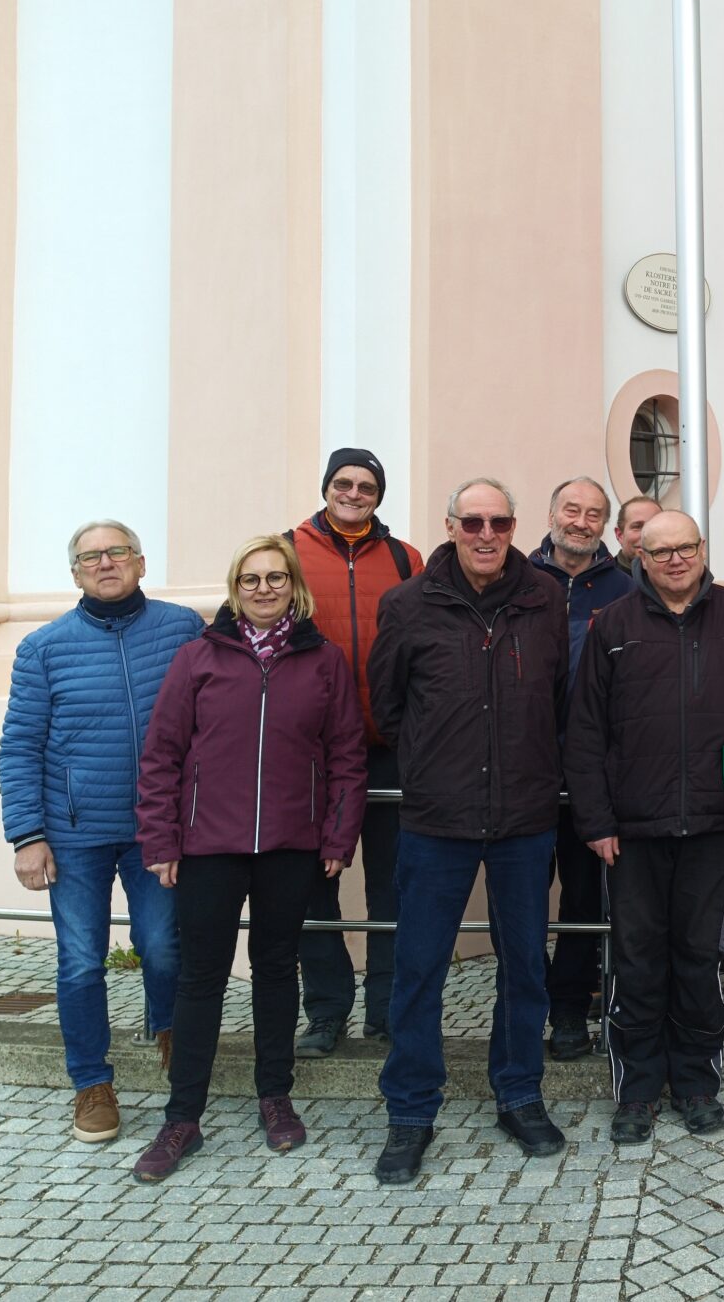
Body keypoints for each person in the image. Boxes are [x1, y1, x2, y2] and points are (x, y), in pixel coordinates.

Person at [132, 535, 367, 1182]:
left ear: (295, 586)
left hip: (292, 846)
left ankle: (275, 1096)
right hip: (208, 847)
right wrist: (161, 841)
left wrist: (337, 838)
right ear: (235, 590)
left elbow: (347, 756)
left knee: (275, 970)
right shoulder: (197, 659)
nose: (264, 589)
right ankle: (183, 1117)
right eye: (250, 580)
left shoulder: (324, 662)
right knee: (200, 979)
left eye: (275, 578)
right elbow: (162, 756)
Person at [566, 510, 724, 1142]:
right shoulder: (610, 625)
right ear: (640, 555)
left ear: (702, 550)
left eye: (684, 548)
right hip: (633, 831)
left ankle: (696, 1082)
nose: (673, 560)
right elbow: (585, 732)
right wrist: (597, 819)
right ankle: (636, 1091)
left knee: (700, 961)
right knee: (637, 964)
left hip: (714, 826)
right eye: (659, 550)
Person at [368, 478, 574, 1179]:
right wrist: (434, 763)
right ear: (450, 525)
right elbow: (388, 707)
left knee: (524, 966)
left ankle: (518, 1094)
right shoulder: (406, 604)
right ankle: (410, 1110)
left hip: (524, 818)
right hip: (436, 819)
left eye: (500, 521)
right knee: (419, 968)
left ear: (515, 526)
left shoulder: (546, 597)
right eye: (473, 521)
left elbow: (558, 696)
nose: (487, 534)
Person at [0, 520, 204, 1144]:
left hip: (158, 828)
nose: (105, 563)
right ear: (75, 573)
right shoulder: (43, 647)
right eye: (91, 556)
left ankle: (171, 1038)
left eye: (117, 552)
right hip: (74, 834)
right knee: (82, 960)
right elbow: (20, 746)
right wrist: (26, 834)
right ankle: (92, 1083)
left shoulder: (183, 629)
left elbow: (210, 723)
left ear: (141, 563)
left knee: (164, 945)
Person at [291, 448, 422, 1061]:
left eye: (366, 485)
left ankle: (388, 1008)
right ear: (326, 488)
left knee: (394, 886)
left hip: (393, 748)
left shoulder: (405, 558)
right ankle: (325, 1010)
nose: (353, 493)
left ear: (378, 494)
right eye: (342, 483)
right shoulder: (285, 552)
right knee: (311, 885)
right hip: (309, 753)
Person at [530, 475, 636, 1063]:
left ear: (605, 525)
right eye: (571, 508)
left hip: (592, 774)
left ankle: (570, 1007)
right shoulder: (518, 581)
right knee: (518, 896)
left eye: (593, 513)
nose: (580, 520)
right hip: (524, 770)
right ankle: (521, 1001)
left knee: (583, 900)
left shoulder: (624, 589)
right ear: (552, 512)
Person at [613, 494, 661, 573]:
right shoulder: (602, 582)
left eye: (654, 526)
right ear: (620, 535)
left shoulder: (680, 577)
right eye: (637, 527)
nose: (646, 535)